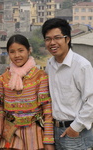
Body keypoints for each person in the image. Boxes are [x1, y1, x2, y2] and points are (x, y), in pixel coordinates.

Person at [42, 18, 93, 150]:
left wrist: (75, 127)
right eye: (48, 39)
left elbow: (91, 100)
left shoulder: (82, 65)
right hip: (55, 131)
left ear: (67, 39)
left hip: (76, 133)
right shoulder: (50, 64)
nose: (52, 43)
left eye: (57, 38)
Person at [0, 34, 55, 150]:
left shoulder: (40, 76)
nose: (17, 55)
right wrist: (0, 116)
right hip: (10, 136)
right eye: (12, 52)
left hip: (34, 135)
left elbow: (47, 110)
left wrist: (48, 140)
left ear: (29, 51)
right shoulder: (3, 79)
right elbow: (0, 105)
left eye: (21, 50)